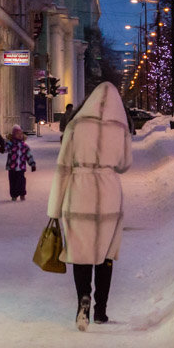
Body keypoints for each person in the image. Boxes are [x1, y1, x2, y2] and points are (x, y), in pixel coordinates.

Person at [47, 82, 131, 331]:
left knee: (81, 252)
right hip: (109, 192)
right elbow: (125, 164)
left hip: (79, 190)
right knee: (105, 253)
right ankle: (101, 311)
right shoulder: (120, 128)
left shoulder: (76, 125)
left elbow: (63, 166)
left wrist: (54, 209)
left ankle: (82, 301)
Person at [4, 124, 36, 201]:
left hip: (21, 167)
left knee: (21, 181)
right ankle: (14, 195)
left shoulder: (24, 146)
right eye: (17, 134)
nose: (20, 135)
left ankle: (22, 193)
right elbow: (5, 149)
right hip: (12, 167)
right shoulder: (11, 144)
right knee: (12, 182)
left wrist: (32, 164)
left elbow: (29, 155)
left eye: (21, 134)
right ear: (14, 135)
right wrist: (2, 148)